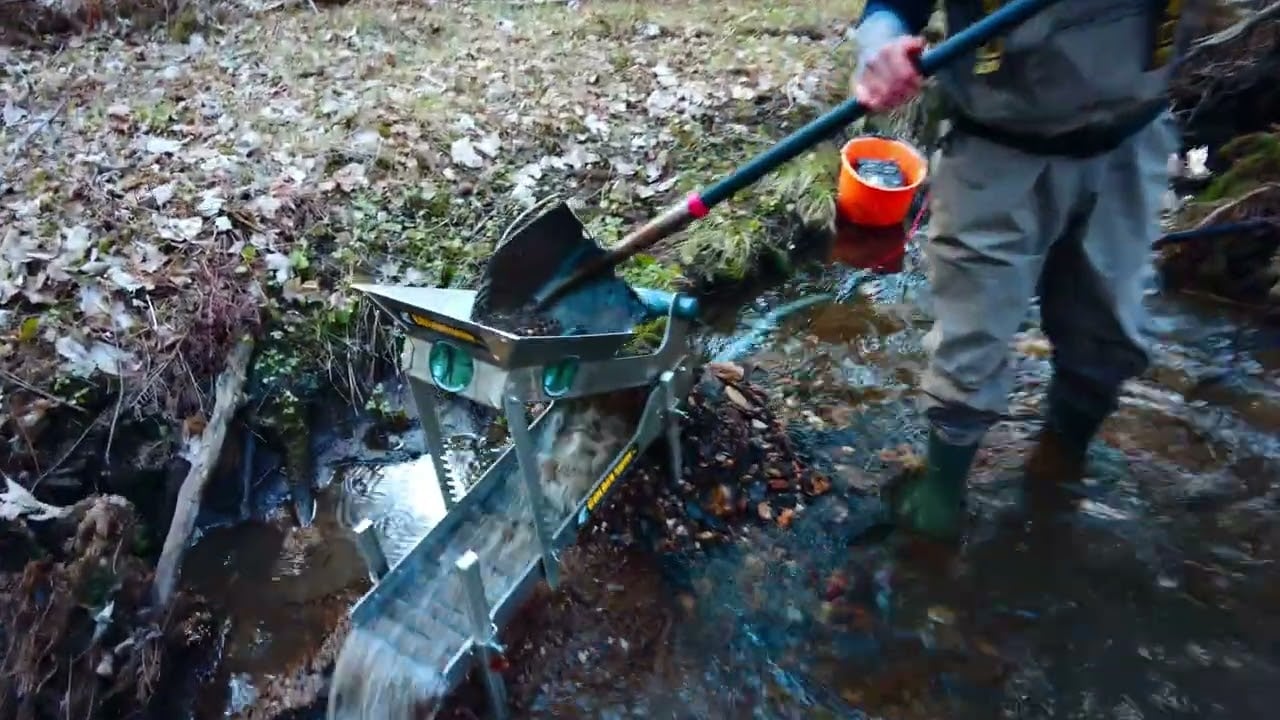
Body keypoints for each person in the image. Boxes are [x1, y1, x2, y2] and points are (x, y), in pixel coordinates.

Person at [851, 0, 1205, 542]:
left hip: (1129, 143)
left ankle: (1063, 456)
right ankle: (942, 489)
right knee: (973, 339)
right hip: (996, 150)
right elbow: (893, 7)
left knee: (1110, 335)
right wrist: (880, 48)